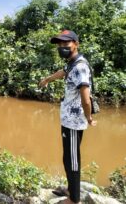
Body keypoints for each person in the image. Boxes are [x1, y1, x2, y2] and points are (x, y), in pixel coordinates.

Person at [39, 30, 97, 204]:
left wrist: (89, 118)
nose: (62, 47)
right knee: (68, 157)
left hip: (74, 122)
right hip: (68, 119)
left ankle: (74, 199)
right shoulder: (72, 63)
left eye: (66, 44)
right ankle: (71, 189)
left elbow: (86, 99)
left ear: (76, 44)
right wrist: (47, 80)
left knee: (72, 160)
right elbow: (62, 72)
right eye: (60, 45)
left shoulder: (79, 67)